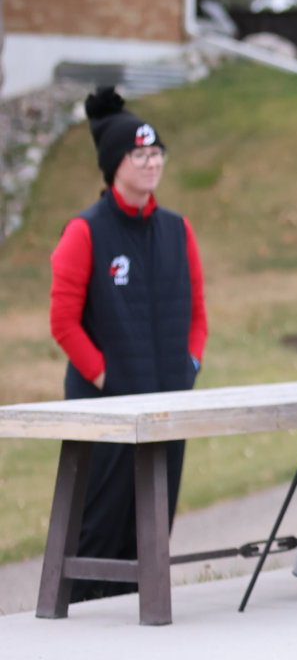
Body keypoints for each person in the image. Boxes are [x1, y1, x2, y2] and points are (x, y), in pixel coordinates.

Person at [47, 88, 206, 601]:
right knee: (97, 530)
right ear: (115, 163)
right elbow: (63, 322)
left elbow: (197, 314)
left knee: (151, 531)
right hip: (107, 413)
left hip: (166, 409)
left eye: (156, 153)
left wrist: (190, 364)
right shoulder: (84, 232)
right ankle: (79, 629)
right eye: (139, 155)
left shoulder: (178, 230)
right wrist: (107, 380)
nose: (151, 163)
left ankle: (141, 630)